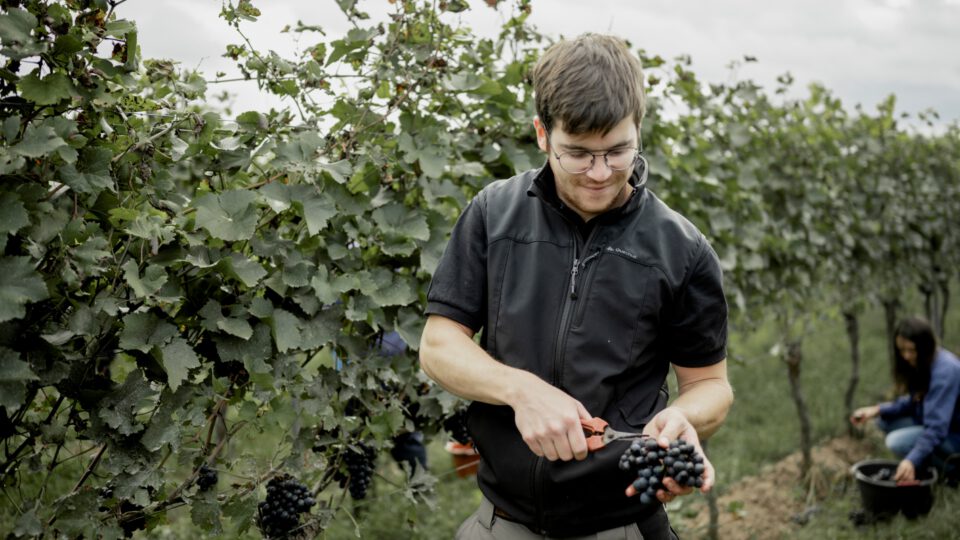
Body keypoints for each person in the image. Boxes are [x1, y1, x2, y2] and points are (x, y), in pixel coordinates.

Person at [419, 34, 734, 539]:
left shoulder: (682, 249)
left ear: (638, 131)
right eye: (578, 154)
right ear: (542, 133)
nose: (599, 173)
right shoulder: (493, 214)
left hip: (621, 523)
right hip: (503, 521)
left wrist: (682, 417)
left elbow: (710, 386)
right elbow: (438, 345)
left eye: (617, 152)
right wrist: (521, 391)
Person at [851, 316, 960, 483]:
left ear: (925, 347)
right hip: (943, 424)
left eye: (911, 350)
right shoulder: (924, 362)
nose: (906, 356)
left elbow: (937, 427)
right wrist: (878, 410)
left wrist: (910, 460)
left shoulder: (945, 372)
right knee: (884, 421)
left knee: (896, 442)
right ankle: (926, 463)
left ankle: (950, 473)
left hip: (954, 434)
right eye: (902, 350)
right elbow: (914, 402)